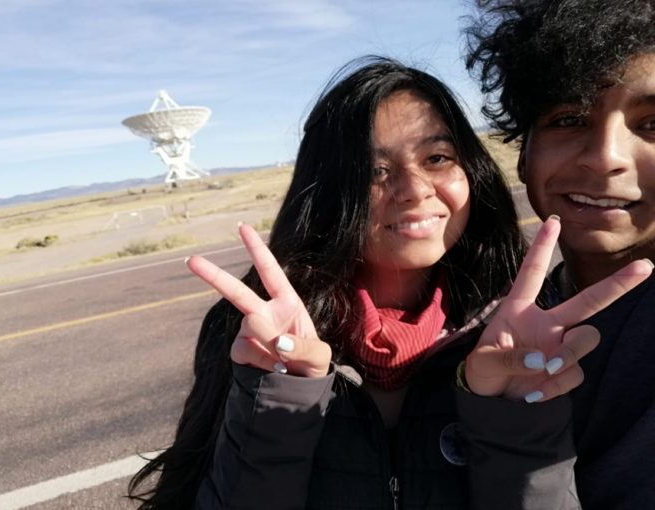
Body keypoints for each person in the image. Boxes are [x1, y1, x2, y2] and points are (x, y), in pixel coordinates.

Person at [128, 57, 651, 509]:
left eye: (437, 158)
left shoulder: (513, 333)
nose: (413, 189)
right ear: (330, 191)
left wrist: (510, 415)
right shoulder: (261, 334)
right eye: (373, 170)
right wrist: (281, 398)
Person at [465, 1, 655, 508]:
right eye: (568, 118)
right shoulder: (495, 321)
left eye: (654, 126)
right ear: (524, 155)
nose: (604, 157)